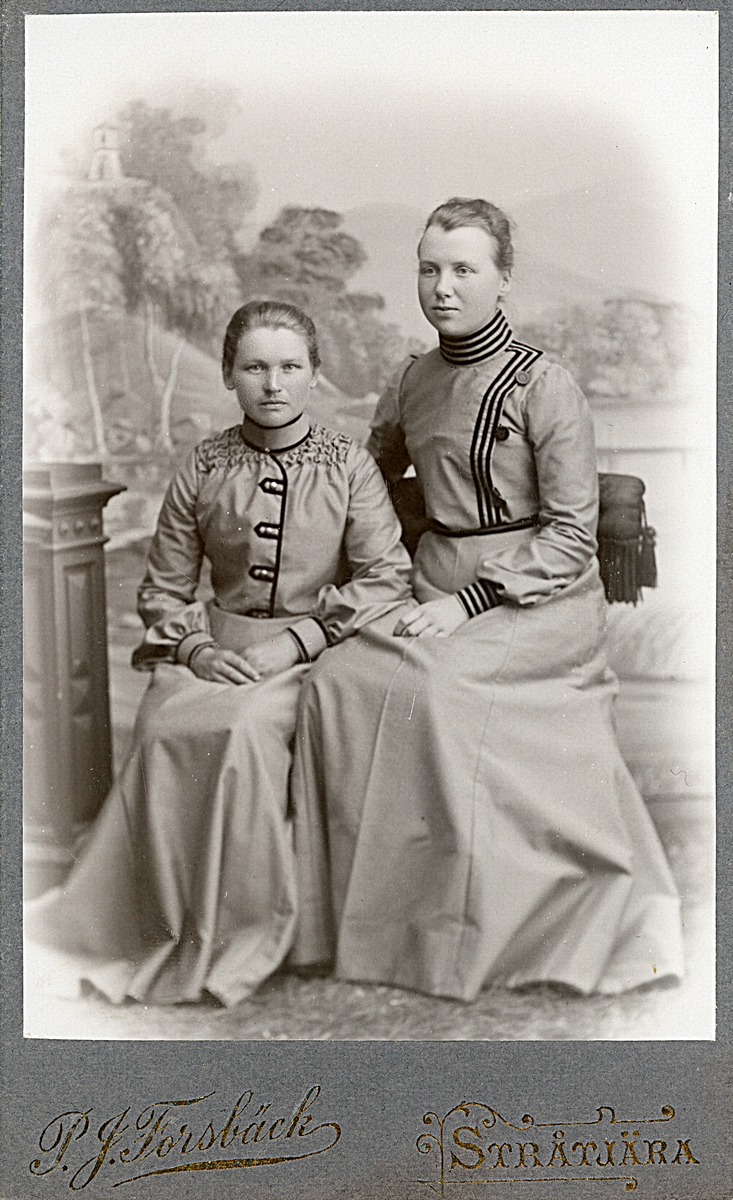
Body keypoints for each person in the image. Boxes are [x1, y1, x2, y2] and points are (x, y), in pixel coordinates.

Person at [291, 198, 685, 1001]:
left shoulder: (545, 384)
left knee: (438, 688)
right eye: (429, 269)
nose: (442, 287)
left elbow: (571, 534)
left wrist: (465, 603)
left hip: (537, 595)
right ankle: (369, 924)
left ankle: (479, 929)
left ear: (502, 279)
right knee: (337, 682)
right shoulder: (411, 379)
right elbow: (365, 483)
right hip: (433, 577)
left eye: (463, 269)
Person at [25, 300, 412, 1007]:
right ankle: (152, 923)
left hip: (310, 655)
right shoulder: (203, 464)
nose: (273, 384)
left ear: (315, 374)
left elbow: (386, 577)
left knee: (239, 730)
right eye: (255, 367)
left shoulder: (349, 465)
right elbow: (163, 587)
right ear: (230, 374)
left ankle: (236, 933)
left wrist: (297, 641)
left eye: (290, 367)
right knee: (163, 727)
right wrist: (197, 650)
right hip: (212, 650)